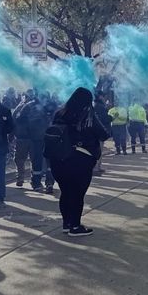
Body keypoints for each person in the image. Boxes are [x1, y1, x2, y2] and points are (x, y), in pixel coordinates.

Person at [48, 87, 109, 237]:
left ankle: (66, 223)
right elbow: (104, 134)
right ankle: (75, 226)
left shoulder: (59, 113)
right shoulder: (87, 115)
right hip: (80, 160)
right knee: (77, 194)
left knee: (66, 192)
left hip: (58, 159)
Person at [13, 91, 53, 193]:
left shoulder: (27, 106)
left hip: (35, 139)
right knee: (49, 163)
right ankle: (49, 183)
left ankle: (36, 183)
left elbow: (18, 119)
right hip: (48, 138)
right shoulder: (50, 106)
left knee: (36, 162)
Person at [93, 91, 112, 175]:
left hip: (97, 131)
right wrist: (112, 117)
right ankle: (96, 168)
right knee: (98, 150)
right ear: (100, 97)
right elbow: (104, 119)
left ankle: (98, 167)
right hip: (99, 132)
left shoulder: (96, 106)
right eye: (103, 96)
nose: (105, 98)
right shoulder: (99, 106)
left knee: (99, 150)